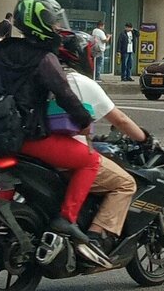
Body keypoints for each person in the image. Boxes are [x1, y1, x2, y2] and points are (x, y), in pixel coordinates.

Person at [0, 0, 110, 267]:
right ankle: (66, 219)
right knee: (90, 160)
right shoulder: (44, 58)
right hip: (26, 137)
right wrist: (83, 120)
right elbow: (65, 94)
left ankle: (9, 219)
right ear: (41, 24)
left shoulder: (1, 52)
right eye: (54, 22)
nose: (58, 27)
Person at [57, 30, 152, 259]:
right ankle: (95, 237)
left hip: (40, 151)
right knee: (126, 183)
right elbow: (119, 119)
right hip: (67, 153)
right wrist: (144, 138)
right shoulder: (81, 82)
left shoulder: (48, 77)